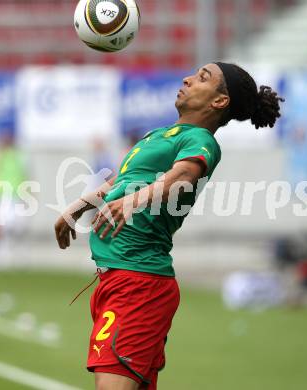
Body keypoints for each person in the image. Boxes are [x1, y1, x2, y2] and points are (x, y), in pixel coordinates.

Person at [55, 62, 284, 390]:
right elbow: (121, 183)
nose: (188, 79)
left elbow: (182, 177)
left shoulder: (202, 140)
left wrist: (132, 202)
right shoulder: (159, 135)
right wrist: (77, 208)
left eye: (203, 78)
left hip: (138, 283)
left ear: (219, 102)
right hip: (120, 279)